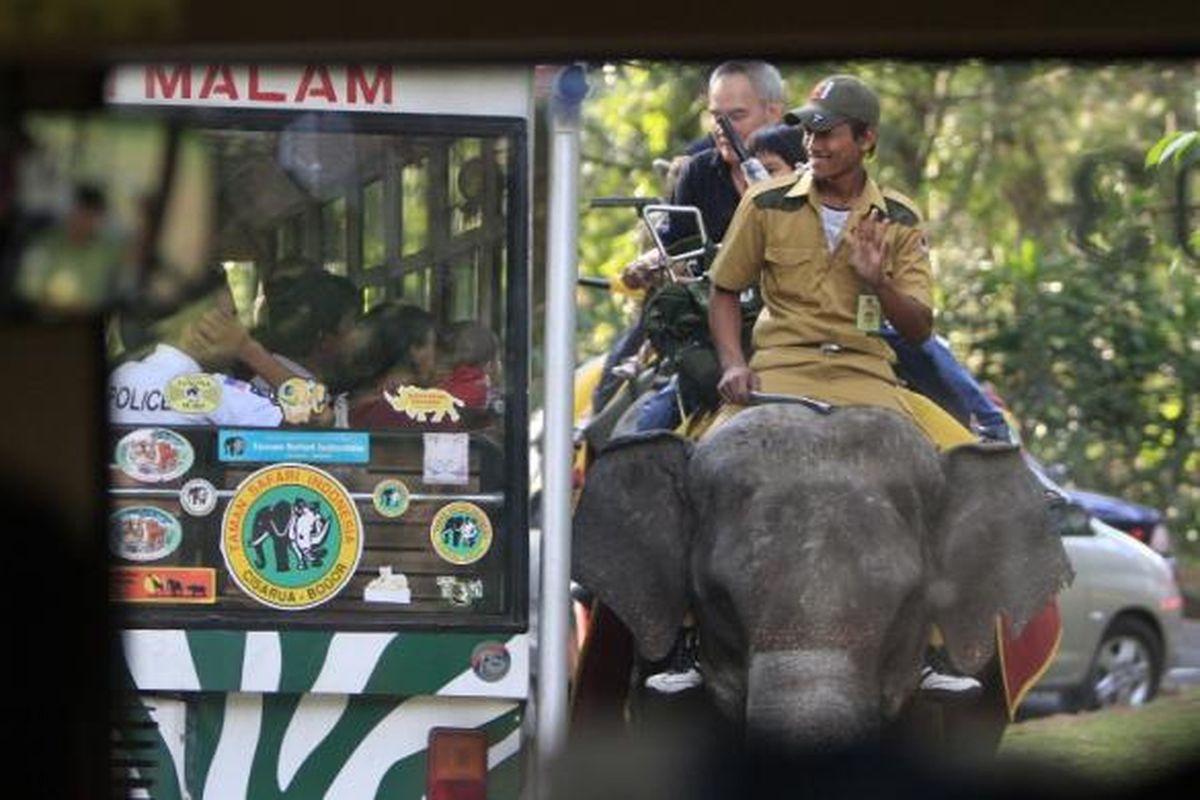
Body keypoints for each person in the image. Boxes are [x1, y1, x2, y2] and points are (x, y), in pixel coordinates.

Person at [703, 73, 983, 699]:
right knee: (701, 469)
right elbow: (724, 292)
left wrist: (879, 281)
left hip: (867, 377)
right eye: (808, 131)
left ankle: (932, 649)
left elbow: (918, 328)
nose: (814, 143)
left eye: (827, 133)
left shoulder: (901, 219)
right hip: (778, 371)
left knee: (946, 474)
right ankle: (686, 642)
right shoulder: (766, 202)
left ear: (866, 139)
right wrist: (731, 363)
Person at [109, 270, 284, 427]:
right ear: (200, 327)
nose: (239, 328)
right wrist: (250, 350)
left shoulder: (121, 375)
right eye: (230, 316)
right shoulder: (210, 391)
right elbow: (307, 423)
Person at [249, 269, 362, 426]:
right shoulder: (285, 405)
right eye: (352, 325)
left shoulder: (263, 386)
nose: (359, 336)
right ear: (324, 339)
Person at [14, 183, 131, 313]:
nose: (85, 221)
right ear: (70, 211)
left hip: (89, 324)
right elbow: (28, 292)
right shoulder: (43, 245)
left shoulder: (105, 250)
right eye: (81, 212)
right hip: (45, 322)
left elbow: (135, 257)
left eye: (92, 215)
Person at [347, 303, 438, 428]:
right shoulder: (412, 416)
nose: (436, 355)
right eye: (433, 344)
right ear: (416, 351)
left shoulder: (350, 403)